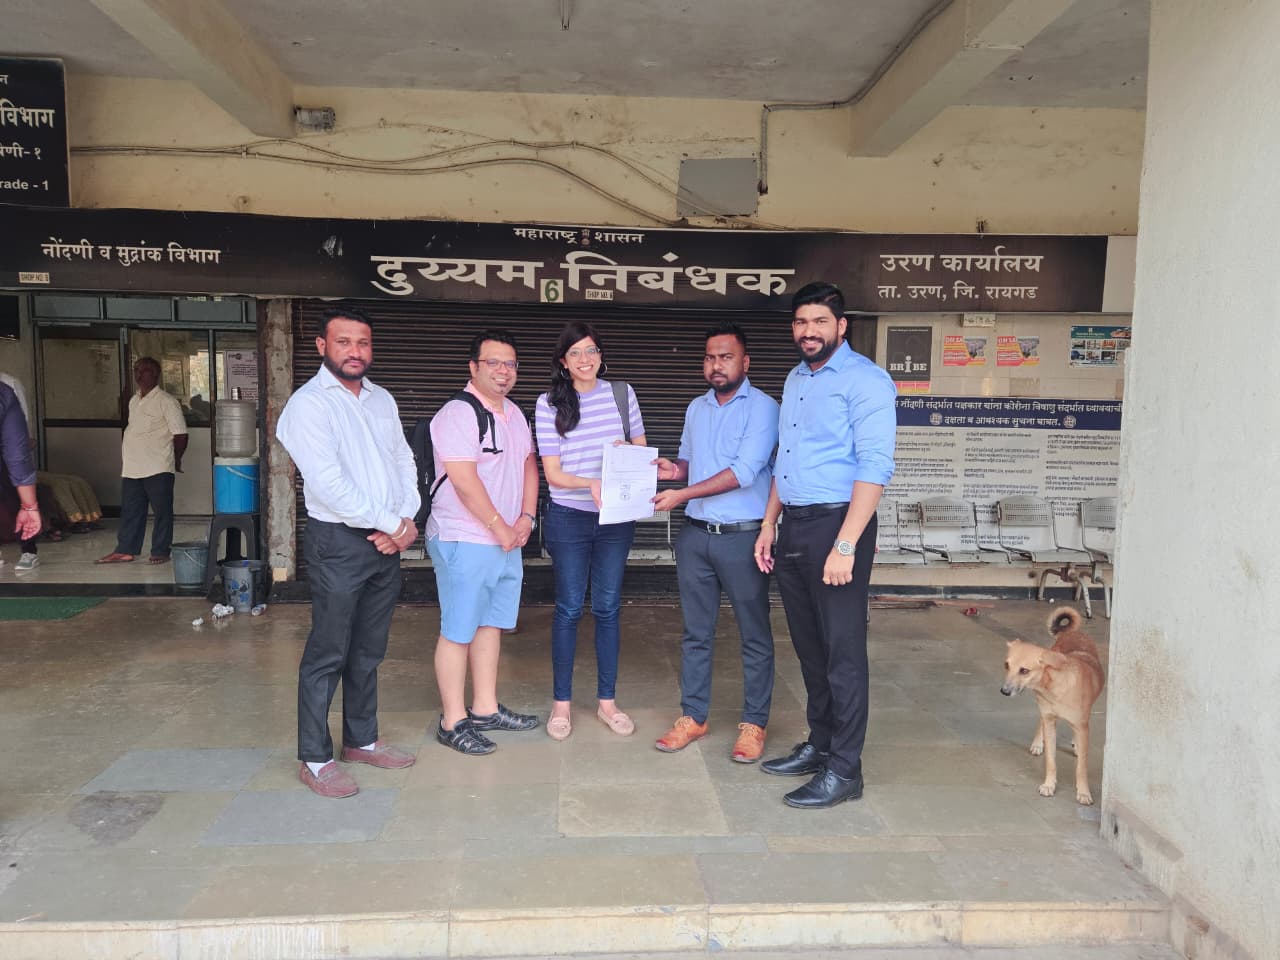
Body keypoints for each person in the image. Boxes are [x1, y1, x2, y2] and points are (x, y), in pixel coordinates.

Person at [753, 281, 897, 809]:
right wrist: (769, 523)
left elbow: (875, 465)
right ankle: (821, 742)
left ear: (841, 326)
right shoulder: (796, 378)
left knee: (843, 651)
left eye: (819, 322)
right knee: (810, 647)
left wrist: (847, 544)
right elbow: (784, 459)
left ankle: (845, 769)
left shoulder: (867, 380)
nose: (808, 331)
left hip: (839, 524)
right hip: (794, 525)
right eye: (800, 322)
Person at [276, 305, 420, 798]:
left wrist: (404, 521)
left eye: (362, 342)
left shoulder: (382, 399)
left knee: (368, 649)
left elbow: (404, 460)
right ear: (322, 346)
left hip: (387, 539)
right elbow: (329, 484)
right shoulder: (309, 405)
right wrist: (392, 525)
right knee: (329, 650)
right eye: (343, 342)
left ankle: (362, 740)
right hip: (338, 542)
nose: (355, 351)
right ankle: (315, 758)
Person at [652, 321, 779, 763]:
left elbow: (743, 472)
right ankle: (694, 716)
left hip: (743, 538)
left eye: (726, 357)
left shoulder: (764, 408)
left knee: (754, 634)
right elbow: (690, 463)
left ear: (745, 362)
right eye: (710, 357)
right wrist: (672, 472)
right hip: (696, 537)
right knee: (696, 633)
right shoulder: (696, 408)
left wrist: (681, 494)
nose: (716, 365)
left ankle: (754, 724)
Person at [427, 329, 540, 755]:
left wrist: (526, 517)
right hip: (465, 536)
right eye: (493, 362)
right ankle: (452, 720)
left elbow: (529, 465)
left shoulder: (514, 413)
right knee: (458, 629)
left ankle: (485, 708)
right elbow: (463, 480)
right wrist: (500, 526)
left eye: (510, 363)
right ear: (473, 367)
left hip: (505, 539)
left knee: (491, 623)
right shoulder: (458, 413)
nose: (503, 371)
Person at [535, 322, 646, 741]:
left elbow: (641, 451)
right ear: (563, 362)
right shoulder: (549, 404)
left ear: (601, 355)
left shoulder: (622, 394)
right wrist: (591, 483)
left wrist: (626, 454)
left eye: (592, 350)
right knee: (568, 608)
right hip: (569, 517)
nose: (585, 359)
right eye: (576, 353)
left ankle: (607, 702)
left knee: (608, 607)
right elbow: (553, 473)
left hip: (615, 518)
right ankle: (561, 704)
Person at [97, 357, 188, 565]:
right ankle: (126, 550)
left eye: (144, 370)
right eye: (136, 370)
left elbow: (181, 435)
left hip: (158, 466)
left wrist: (176, 459)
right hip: (132, 467)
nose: (138, 375)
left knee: (162, 511)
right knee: (131, 511)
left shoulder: (166, 401)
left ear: (155, 375)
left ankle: (160, 551)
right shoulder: (134, 400)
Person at [0, 381, 42, 568]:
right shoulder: (4, 391)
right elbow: (17, 455)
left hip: (6, 455)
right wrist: (30, 506)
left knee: (12, 498)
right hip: (12, 455)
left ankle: (28, 550)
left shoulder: (9, 387)